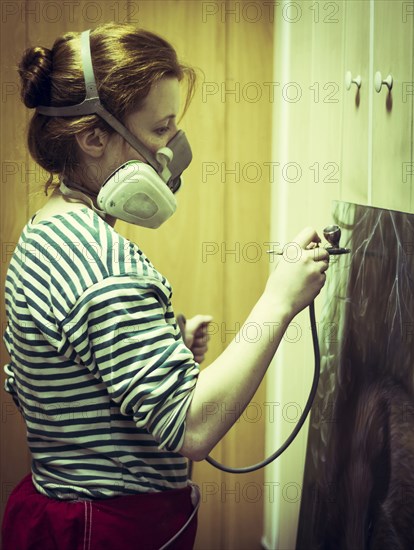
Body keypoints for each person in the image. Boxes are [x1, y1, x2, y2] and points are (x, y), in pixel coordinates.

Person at [1, 22, 329, 550]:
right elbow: (194, 427)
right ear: (93, 136)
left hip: (62, 512)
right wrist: (280, 299)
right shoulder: (100, 263)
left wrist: (166, 345)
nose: (172, 152)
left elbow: (75, 379)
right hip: (104, 527)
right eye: (160, 130)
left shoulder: (50, 229)